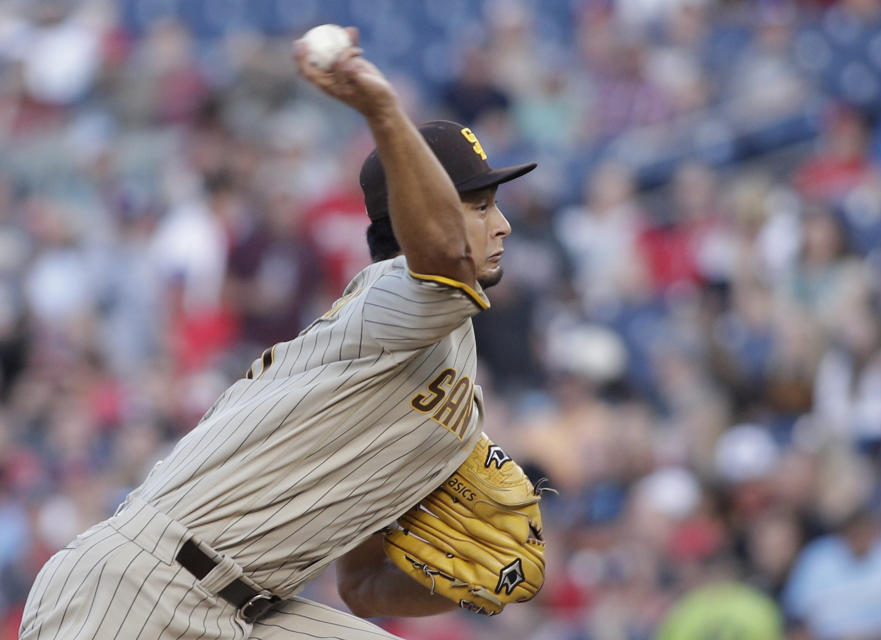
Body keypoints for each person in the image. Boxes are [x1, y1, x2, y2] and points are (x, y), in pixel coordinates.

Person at [18, 26, 537, 640]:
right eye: (477, 206)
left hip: (242, 611)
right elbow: (444, 258)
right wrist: (382, 109)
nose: (501, 224)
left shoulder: (454, 375)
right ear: (415, 215)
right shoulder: (390, 296)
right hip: (138, 590)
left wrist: (474, 580)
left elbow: (363, 587)